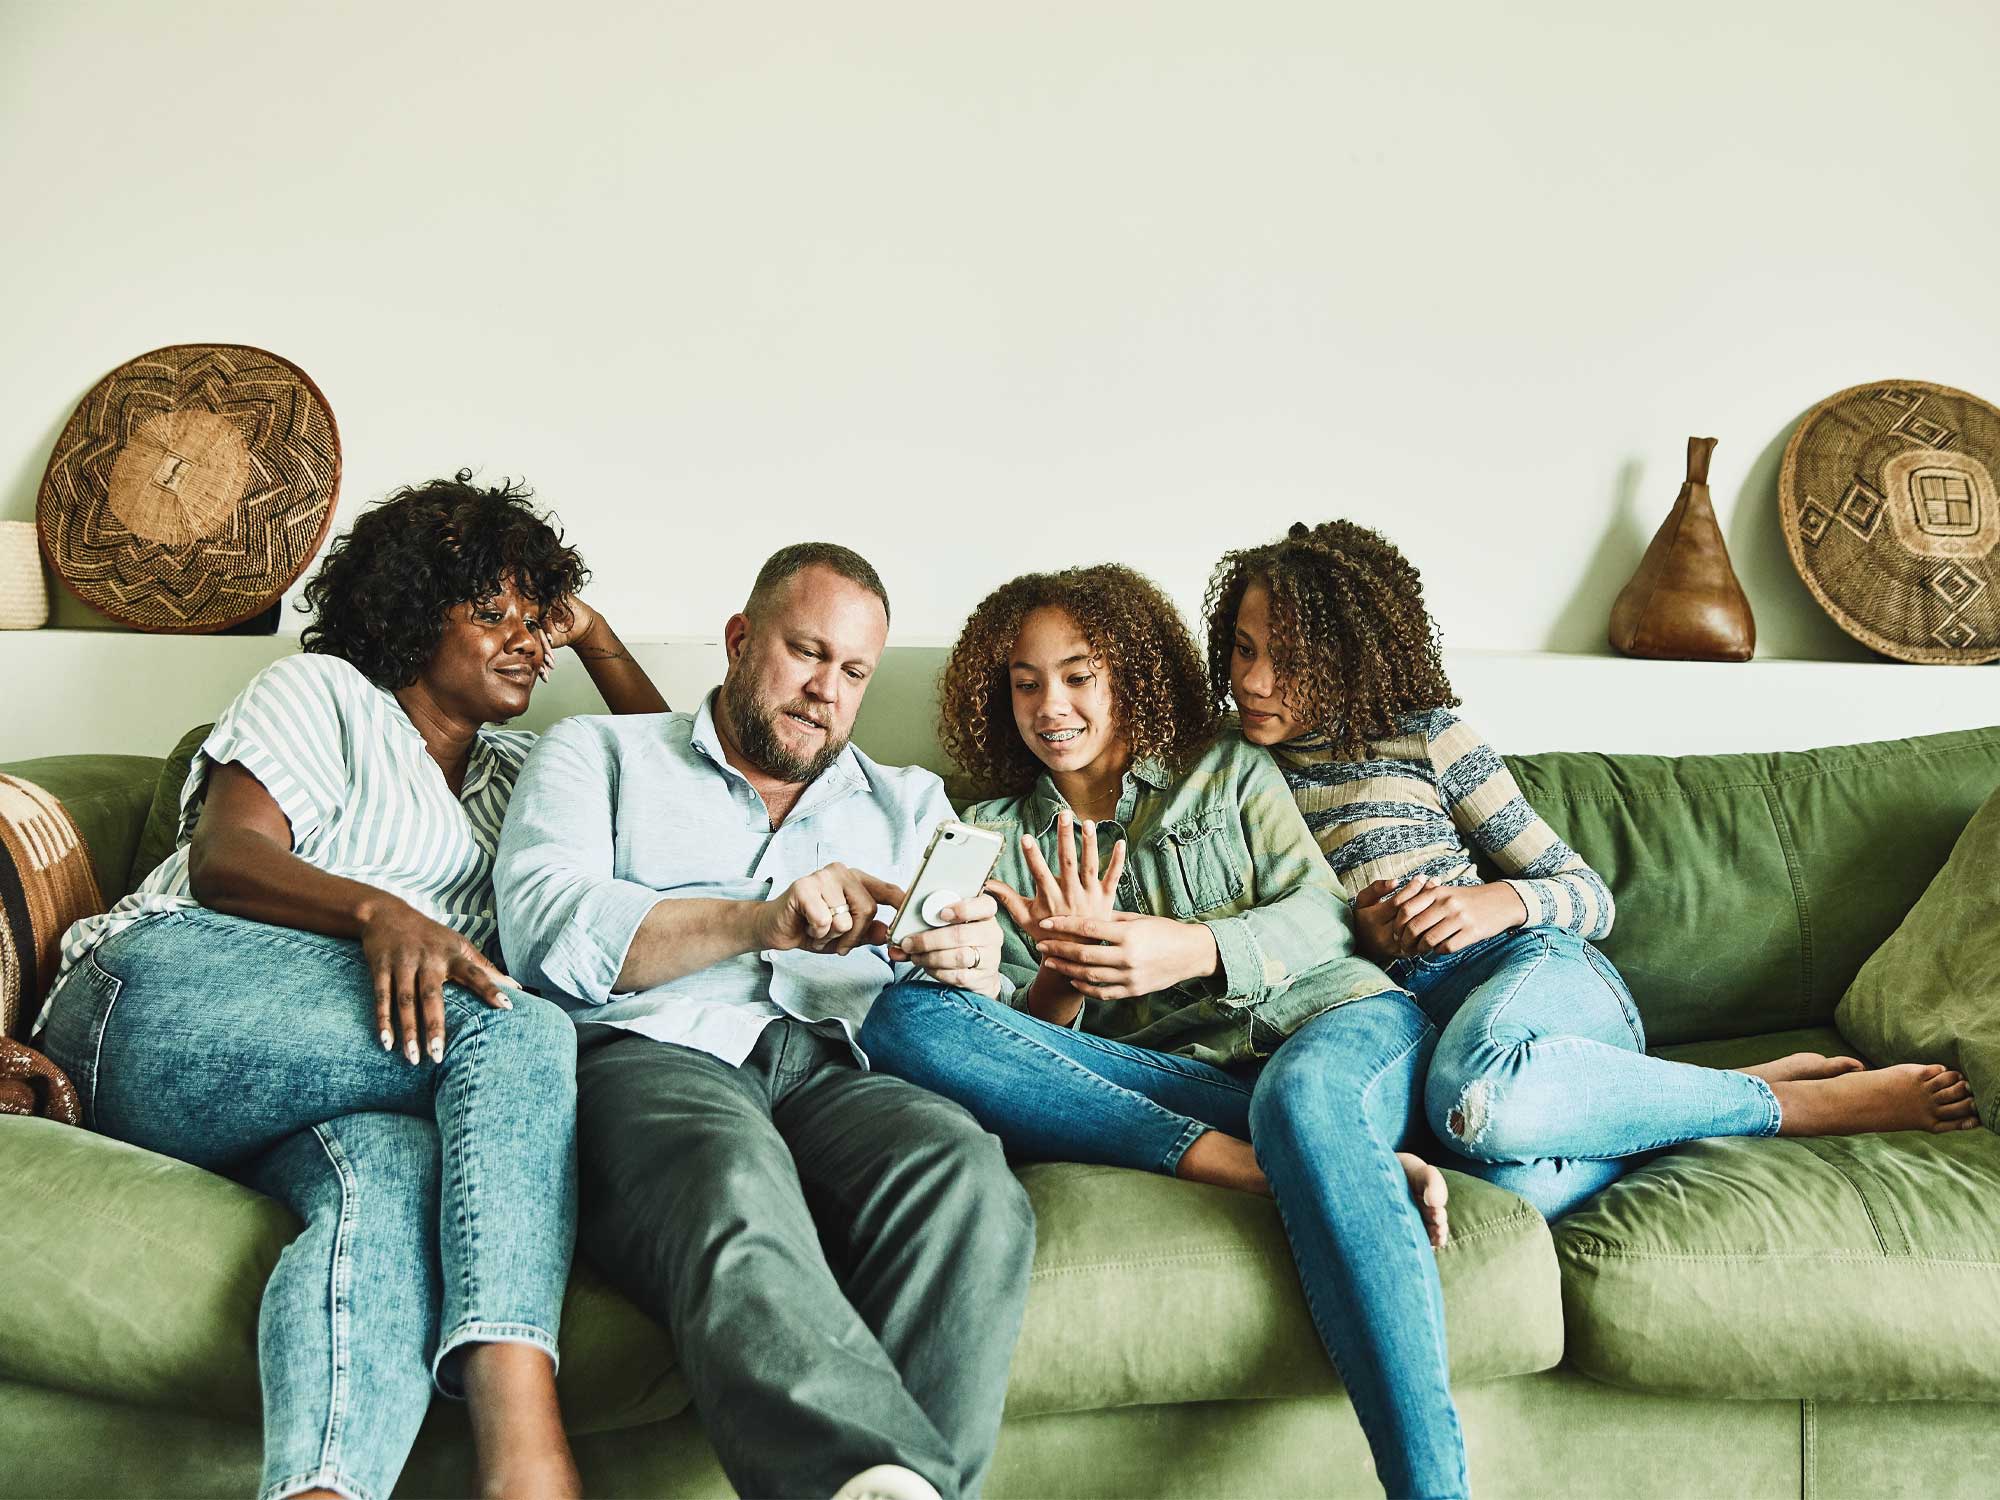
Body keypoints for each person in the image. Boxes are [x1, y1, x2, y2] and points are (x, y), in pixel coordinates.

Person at [35, 470, 668, 1500]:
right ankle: (524, 1452)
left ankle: (321, 1486)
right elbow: (225, 858)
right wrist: (377, 911)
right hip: (158, 1001)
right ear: (414, 615)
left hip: (338, 1077)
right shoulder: (322, 692)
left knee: (391, 1177)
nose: (527, 641)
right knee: (513, 1028)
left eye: (537, 617)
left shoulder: (527, 777)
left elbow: (673, 785)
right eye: (490, 612)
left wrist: (593, 633)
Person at [858, 563, 1471, 1500]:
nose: (1049, 706)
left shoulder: (1223, 765)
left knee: (1307, 1101)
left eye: (1077, 675)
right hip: (1184, 1089)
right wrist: (1062, 976)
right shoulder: (987, 832)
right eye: (1025, 683)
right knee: (905, 1019)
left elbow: (1328, 917)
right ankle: (1284, 1160)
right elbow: (1024, 1051)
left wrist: (1192, 949)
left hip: (1333, 1028)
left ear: (1131, 672)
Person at [1206, 518, 1981, 1225]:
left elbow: (1587, 897)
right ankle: (1660, 1097)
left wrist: (1494, 902)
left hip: (1529, 970)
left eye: (1292, 661)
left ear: (1355, 657)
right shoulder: (1228, 776)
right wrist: (1362, 936)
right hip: (1409, 1020)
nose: (1255, 681)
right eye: (1245, 648)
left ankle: (1781, 1105)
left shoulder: (1426, 739)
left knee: (1479, 1093)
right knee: (1509, 1186)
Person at [492, 542, 1034, 1500]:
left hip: (840, 1070)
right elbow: (544, 932)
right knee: (730, 1176)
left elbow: (961, 1001)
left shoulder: (910, 803)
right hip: (654, 1057)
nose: (827, 688)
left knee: (968, 1177)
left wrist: (968, 963)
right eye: (807, 651)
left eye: (854, 671)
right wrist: (760, 920)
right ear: (741, 640)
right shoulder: (598, 752)